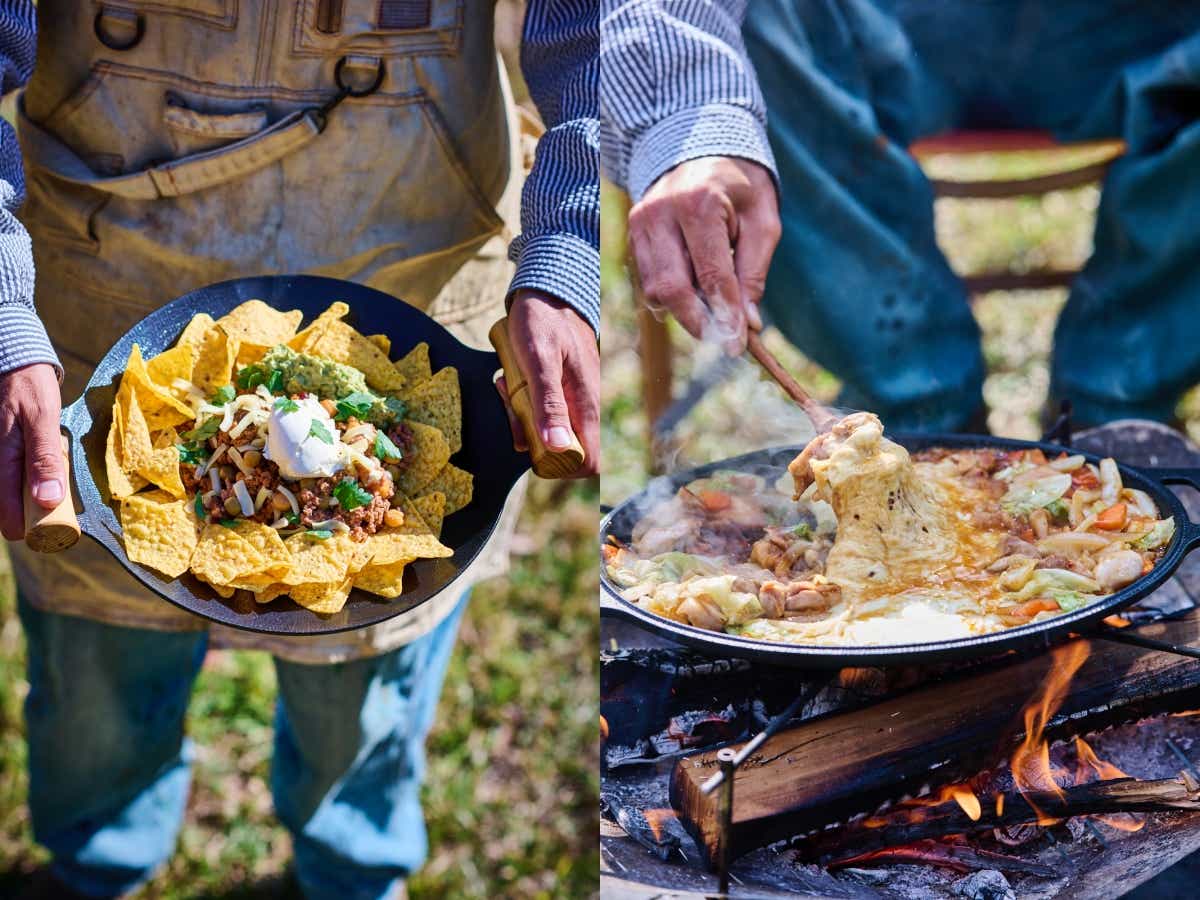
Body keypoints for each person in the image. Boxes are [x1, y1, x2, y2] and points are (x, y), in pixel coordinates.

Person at [0, 1, 598, 897]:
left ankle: (352, 873)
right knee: (97, 677)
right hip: (105, 265)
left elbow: (600, 27)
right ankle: (97, 867)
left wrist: (563, 245)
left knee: (362, 701)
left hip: (417, 237)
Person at [601, 0, 1200, 432]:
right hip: (871, 26)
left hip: (1145, 28)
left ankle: (1120, 409)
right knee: (744, 26)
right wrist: (695, 122)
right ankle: (918, 405)